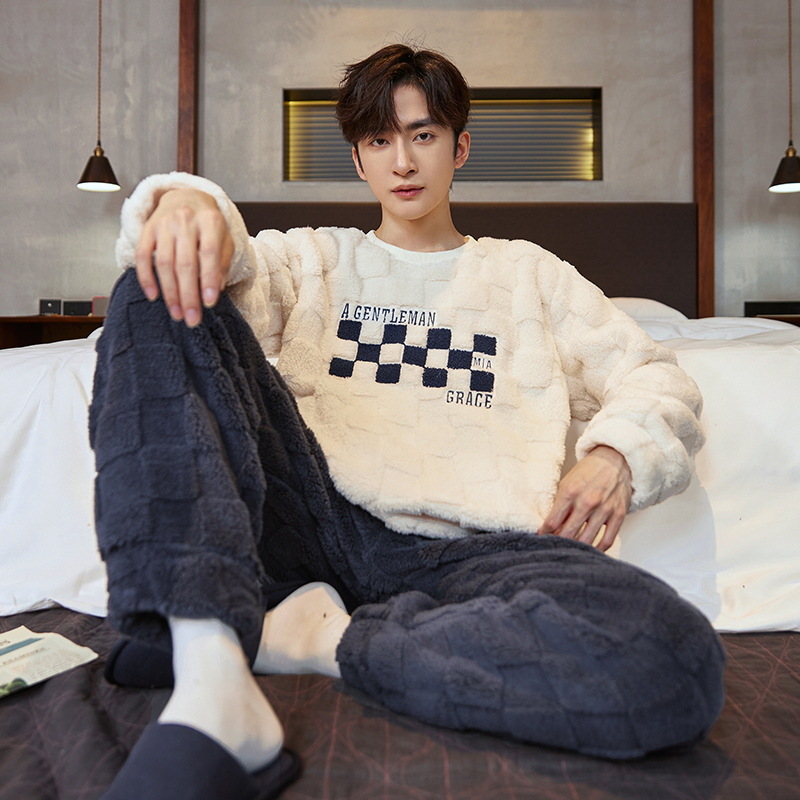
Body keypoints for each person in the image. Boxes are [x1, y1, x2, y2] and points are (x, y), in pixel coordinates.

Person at [91, 43, 725, 800]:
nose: (403, 161)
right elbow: (220, 274)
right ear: (358, 159)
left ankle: (309, 638)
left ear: (460, 147)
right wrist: (185, 204)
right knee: (156, 282)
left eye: (423, 135)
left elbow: (655, 375)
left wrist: (615, 455)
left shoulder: (530, 274)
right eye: (379, 139)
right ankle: (208, 668)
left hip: (475, 553)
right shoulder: (311, 259)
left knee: (674, 659)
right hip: (312, 518)